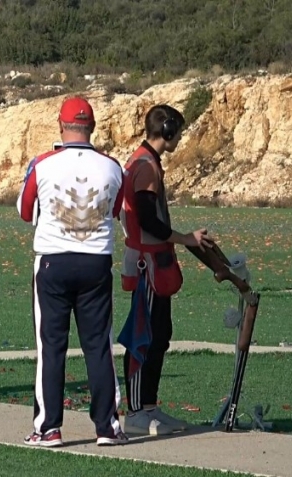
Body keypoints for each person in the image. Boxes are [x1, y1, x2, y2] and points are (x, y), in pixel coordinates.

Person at [17, 97, 128, 447]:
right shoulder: (113, 166)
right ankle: (107, 426)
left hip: (53, 260)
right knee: (98, 346)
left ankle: (48, 427)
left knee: (51, 346)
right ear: (92, 127)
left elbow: (24, 209)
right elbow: (116, 210)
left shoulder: (43, 163)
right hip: (96, 261)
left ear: (61, 126)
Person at [117, 104, 213, 435]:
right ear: (168, 132)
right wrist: (186, 238)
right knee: (145, 336)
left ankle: (148, 406)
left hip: (152, 262)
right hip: (149, 265)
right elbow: (148, 220)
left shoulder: (143, 161)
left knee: (158, 335)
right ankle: (137, 411)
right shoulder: (146, 166)